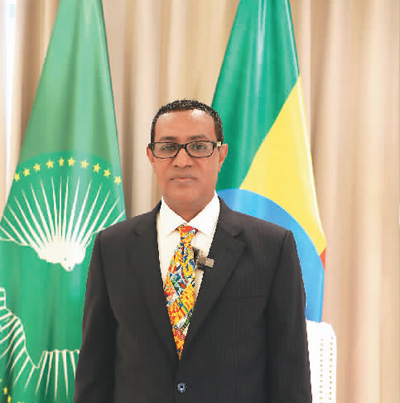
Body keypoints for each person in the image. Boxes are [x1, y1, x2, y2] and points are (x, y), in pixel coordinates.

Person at [73, 99, 312, 403]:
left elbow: (290, 372)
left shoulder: (272, 247)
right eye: (168, 147)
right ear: (151, 156)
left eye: (199, 147)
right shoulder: (112, 246)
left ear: (221, 155)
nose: (182, 160)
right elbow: (94, 371)